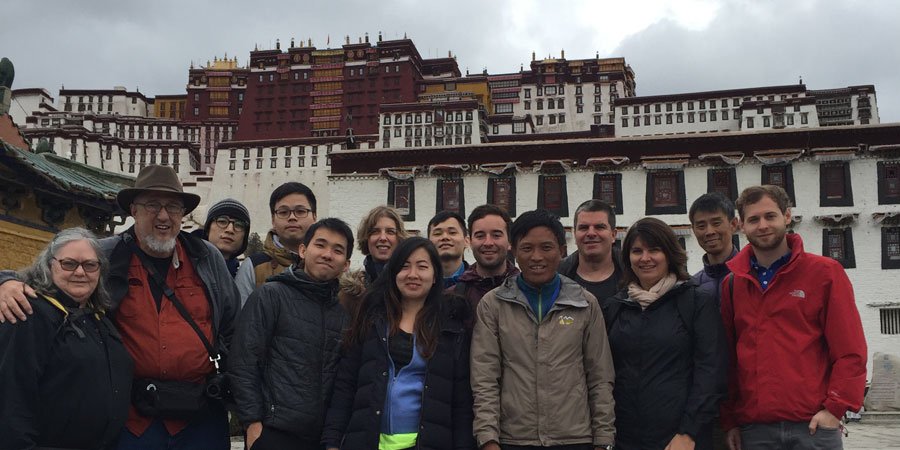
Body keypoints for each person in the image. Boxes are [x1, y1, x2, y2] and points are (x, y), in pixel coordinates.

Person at [0, 164, 240, 450]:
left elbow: (231, 325)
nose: (163, 216)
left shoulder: (206, 257)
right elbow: (50, 273)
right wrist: (6, 282)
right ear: (133, 211)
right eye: (152, 205)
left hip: (200, 416)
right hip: (135, 418)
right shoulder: (107, 253)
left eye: (173, 207)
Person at [720, 185, 867, 450]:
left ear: (787, 216)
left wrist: (835, 408)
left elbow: (850, 351)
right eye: (753, 219)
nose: (763, 225)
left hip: (813, 427)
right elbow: (728, 359)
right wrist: (730, 420)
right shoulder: (732, 284)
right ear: (741, 225)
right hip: (755, 431)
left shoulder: (825, 274)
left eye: (770, 216)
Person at [471, 209, 616, 450]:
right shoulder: (493, 304)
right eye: (527, 248)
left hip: (574, 438)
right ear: (514, 252)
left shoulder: (584, 303)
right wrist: (488, 439)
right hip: (513, 439)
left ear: (562, 250)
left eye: (546, 247)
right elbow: (484, 378)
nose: (536, 257)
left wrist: (603, 440)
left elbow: (600, 377)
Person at [322, 237, 475, 450]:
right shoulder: (371, 320)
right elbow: (345, 386)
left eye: (422, 266)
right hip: (367, 440)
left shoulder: (451, 329)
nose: (412, 274)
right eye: (404, 266)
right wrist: (332, 441)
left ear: (434, 276)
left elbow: (461, 404)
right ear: (393, 273)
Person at [0, 228, 133, 449]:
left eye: (90, 265)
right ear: (49, 265)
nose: (80, 272)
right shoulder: (27, 312)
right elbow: (11, 396)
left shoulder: (99, 319)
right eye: (69, 264)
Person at [604, 217, 727, 450]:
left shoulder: (696, 301)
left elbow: (711, 371)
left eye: (654, 250)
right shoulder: (616, 306)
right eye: (637, 251)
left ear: (669, 254)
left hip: (680, 439)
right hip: (625, 438)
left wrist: (688, 432)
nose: (645, 258)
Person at [230, 218, 354, 450]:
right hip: (273, 432)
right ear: (303, 250)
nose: (327, 254)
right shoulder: (271, 295)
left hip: (322, 439)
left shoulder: (344, 313)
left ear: (346, 264)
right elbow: (243, 362)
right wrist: (252, 424)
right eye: (320, 245)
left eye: (337, 250)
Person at [235, 182, 317, 305]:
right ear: (273, 220)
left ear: (314, 216)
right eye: (283, 212)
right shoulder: (254, 266)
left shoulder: (327, 262)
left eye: (300, 211)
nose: (292, 217)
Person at [448, 204, 519, 326]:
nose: (488, 243)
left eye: (496, 235)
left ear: (509, 242)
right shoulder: (451, 298)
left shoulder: (527, 293)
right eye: (480, 236)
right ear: (470, 242)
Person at [558, 200, 622, 303]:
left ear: (613, 235)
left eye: (599, 227)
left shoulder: (634, 275)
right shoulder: (556, 278)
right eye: (584, 228)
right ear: (575, 235)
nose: (591, 233)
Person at [689, 192, 739, 307]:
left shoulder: (752, 276)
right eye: (701, 226)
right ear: (693, 230)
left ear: (733, 224)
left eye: (716, 223)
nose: (709, 232)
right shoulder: (693, 287)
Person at [192, 198, 251, 277]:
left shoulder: (243, 278)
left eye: (239, 225)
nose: (230, 230)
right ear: (208, 229)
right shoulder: (184, 264)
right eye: (222, 221)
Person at [355, 205, 410, 285]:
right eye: (375, 231)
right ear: (366, 238)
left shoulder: (411, 283)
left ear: (399, 238)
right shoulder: (352, 289)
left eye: (390, 232)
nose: (383, 238)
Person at [427, 211, 470, 288]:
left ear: (466, 241)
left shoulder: (479, 282)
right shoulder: (421, 283)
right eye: (437, 233)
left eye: (452, 232)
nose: (445, 237)